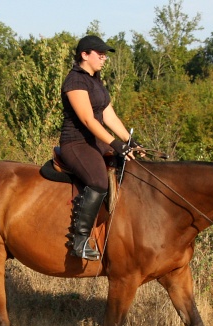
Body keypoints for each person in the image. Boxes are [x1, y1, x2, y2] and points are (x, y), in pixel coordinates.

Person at [59, 35, 140, 261]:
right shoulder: (75, 81)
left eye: (105, 55)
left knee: (130, 167)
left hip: (95, 142)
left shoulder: (96, 80)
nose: (104, 59)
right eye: (100, 55)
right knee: (98, 180)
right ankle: (80, 239)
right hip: (76, 143)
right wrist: (115, 143)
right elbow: (87, 119)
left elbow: (108, 115)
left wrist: (129, 142)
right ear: (84, 55)